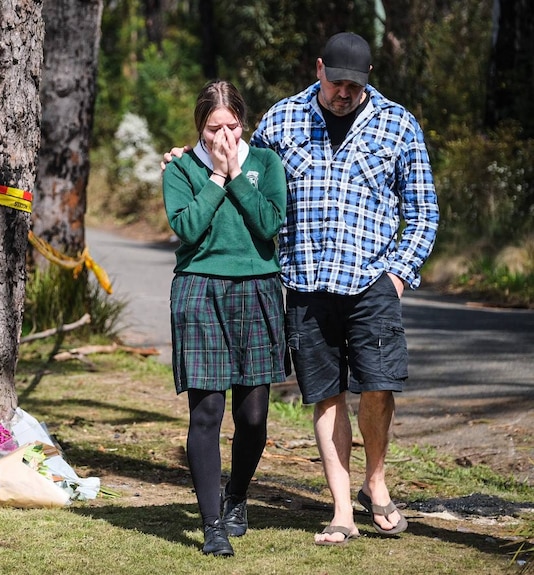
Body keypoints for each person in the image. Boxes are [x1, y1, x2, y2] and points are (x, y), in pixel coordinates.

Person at [164, 32, 440, 546]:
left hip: (373, 277)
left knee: (379, 386)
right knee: (326, 393)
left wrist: (399, 272)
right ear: (319, 70)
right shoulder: (282, 121)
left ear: (368, 79)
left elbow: (423, 211)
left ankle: (375, 483)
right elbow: (242, 163)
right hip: (309, 283)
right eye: (337, 83)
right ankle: (340, 508)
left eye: (355, 86)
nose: (345, 93)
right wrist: (194, 155)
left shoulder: (398, 124)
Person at [163, 80, 287, 557]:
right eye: (214, 128)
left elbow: (269, 224)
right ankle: (212, 523)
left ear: (243, 122)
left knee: (253, 416)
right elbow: (188, 228)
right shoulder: (181, 168)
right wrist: (215, 176)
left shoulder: (265, 163)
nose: (224, 136)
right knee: (207, 411)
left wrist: (237, 173)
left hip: (257, 288)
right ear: (200, 127)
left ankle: (237, 496)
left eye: (232, 126)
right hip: (200, 290)